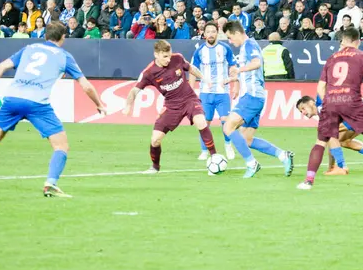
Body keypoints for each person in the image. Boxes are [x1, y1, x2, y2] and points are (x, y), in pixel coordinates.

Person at [0, 22, 106, 198]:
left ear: (45, 35)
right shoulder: (64, 56)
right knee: (61, 146)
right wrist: (98, 103)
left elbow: (1, 66)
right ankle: (50, 183)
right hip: (37, 103)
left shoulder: (29, 48)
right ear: (63, 37)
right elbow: (86, 86)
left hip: (13, 98)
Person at [296, 27, 363, 191]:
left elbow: (320, 87)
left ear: (343, 40)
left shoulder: (331, 59)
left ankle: (308, 181)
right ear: (358, 41)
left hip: (331, 101)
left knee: (320, 142)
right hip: (353, 101)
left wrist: (328, 103)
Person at [122, 40, 218, 174]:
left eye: (169, 55)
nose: (168, 59)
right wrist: (128, 106)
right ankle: (155, 167)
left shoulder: (177, 58)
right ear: (156, 54)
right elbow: (134, 90)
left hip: (189, 99)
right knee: (155, 140)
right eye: (164, 57)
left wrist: (205, 79)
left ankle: (215, 156)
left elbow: (190, 68)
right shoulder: (149, 72)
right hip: (171, 105)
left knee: (201, 121)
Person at [221, 20, 295, 178]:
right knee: (246, 139)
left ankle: (251, 164)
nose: (230, 41)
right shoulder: (246, 47)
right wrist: (234, 80)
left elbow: (256, 63)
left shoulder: (249, 45)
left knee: (228, 128)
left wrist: (238, 70)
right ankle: (283, 155)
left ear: (236, 33)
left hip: (252, 97)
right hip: (255, 96)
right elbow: (251, 72)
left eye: (229, 37)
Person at [297, 95, 363, 174]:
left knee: (330, 134)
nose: (303, 112)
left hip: (359, 111)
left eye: (303, 108)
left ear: (311, 103)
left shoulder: (320, 100)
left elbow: (327, 88)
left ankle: (341, 167)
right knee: (343, 141)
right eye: (301, 111)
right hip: (361, 111)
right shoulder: (322, 116)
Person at [190, 22, 238, 162]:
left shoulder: (225, 48)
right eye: (208, 32)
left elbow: (232, 67)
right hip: (206, 92)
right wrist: (191, 90)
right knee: (204, 122)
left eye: (213, 31)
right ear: (204, 34)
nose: (210, 34)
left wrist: (235, 85)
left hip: (222, 91)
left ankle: (228, 145)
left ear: (217, 33)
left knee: (225, 121)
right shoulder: (199, 51)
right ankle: (204, 150)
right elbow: (192, 70)